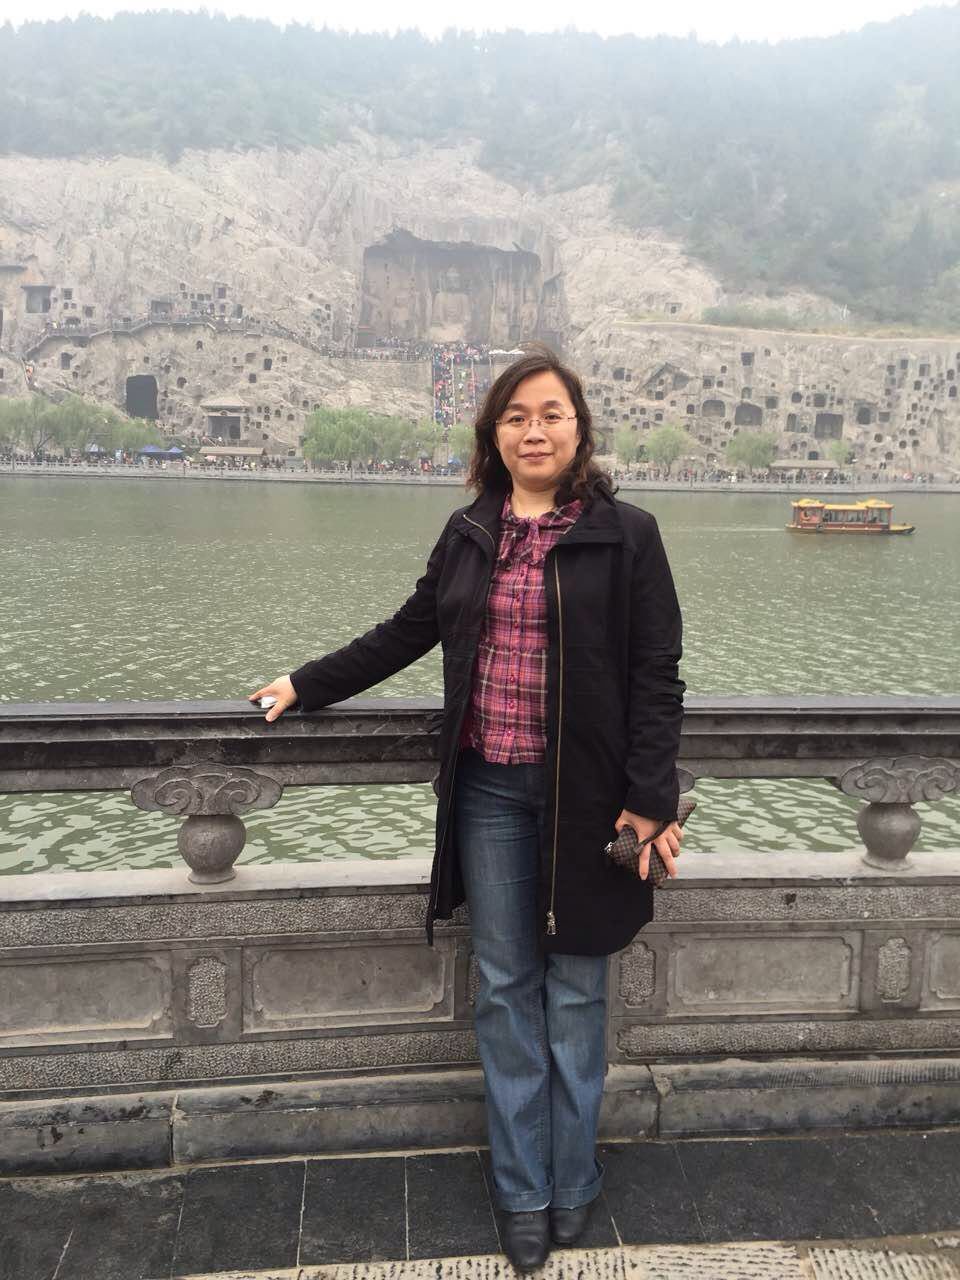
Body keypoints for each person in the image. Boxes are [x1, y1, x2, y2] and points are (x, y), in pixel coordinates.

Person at [248, 345, 686, 1272]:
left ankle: (576, 1177)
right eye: (517, 416)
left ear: (579, 429)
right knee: (504, 987)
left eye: (552, 414)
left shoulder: (627, 535)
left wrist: (650, 798)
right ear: (494, 434)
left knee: (577, 990)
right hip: (487, 791)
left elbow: (657, 673)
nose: (535, 430)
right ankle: (523, 1188)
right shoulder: (470, 532)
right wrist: (306, 682)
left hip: (587, 800)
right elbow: (408, 631)